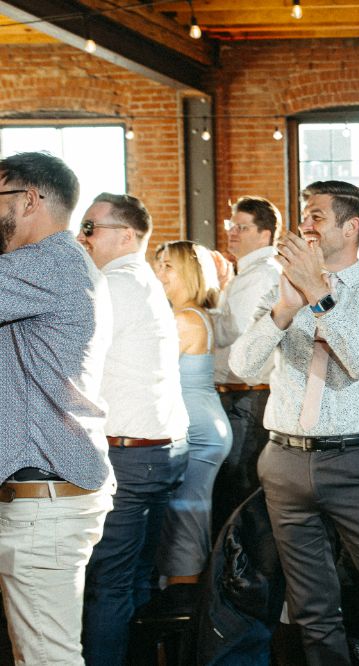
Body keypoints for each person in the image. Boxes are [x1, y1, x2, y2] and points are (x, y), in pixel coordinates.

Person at [230, 180, 359, 665]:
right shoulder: (284, 290)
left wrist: (319, 295)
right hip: (283, 462)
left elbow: (358, 363)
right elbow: (243, 366)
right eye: (305, 215)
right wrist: (282, 311)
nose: (305, 225)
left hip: (354, 462)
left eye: (316, 216)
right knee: (312, 609)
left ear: (351, 226)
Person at [0, 152, 115, 665]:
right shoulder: (54, 264)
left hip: (42, 502)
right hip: (40, 496)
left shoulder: (47, 263)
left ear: (29, 200)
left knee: (48, 659)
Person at [76, 193, 190, 665]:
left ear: (126, 236)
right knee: (135, 580)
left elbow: (74, 366)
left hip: (132, 453)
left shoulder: (115, 285)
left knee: (108, 585)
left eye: (89, 227)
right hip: (157, 448)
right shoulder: (136, 280)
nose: (81, 238)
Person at [154, 241, 234, 585]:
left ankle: (183, 617)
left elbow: (148, 372)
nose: (159, 273)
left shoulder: (184, 319)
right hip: (204, 423)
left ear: (189, 273)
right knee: (187, 518)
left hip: (197, 431)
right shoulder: (192, 313)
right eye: (158, 264)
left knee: (184, 522)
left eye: (168, 266)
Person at [212, 196, 283, 531]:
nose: (233, 233)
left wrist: (197, 312)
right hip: (243, 395)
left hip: (247, 396)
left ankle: (239, 573)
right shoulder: (248, 273)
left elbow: (232, 331)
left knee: (239, 489)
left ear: (265, 235)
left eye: (243, 227)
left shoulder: (259, 276)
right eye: (231, 226)